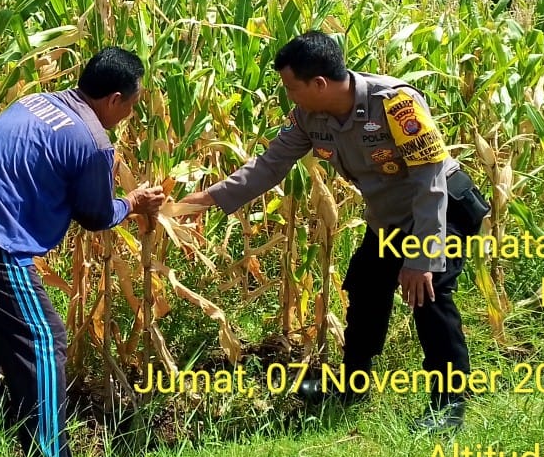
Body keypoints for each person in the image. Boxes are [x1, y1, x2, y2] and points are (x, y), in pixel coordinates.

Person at [180, 31, 490, 433]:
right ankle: (353, 386)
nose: (288, 96)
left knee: (428, 296)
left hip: (440, 209)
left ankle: (449, 404)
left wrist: (422, 257)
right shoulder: (309, 117)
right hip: (389, 218)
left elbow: (429, 182)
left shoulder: (395, 103)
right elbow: (269, 166)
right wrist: (203, 201)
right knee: (364, 289)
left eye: (292, 87)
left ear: (319, 84)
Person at [0, 47, 165, 457]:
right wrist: (133, 203)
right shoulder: (93, 139)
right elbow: (95, 215)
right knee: (44, 341)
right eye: (131, 105)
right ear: (114, 99)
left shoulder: (35, 101)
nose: (129, 115)